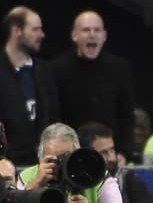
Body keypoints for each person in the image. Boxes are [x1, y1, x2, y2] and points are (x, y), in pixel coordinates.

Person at [0, 7, 61, 167]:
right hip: (9, 166)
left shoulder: (45, 71)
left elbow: (54, 117)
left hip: (46, 162)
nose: (42, 34)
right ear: (16, 31)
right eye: (35, 29)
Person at [50, 10, 135, 163]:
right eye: (86, 30)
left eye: (97, 30)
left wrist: (124, 152)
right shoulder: (57, 70)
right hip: (71, 156)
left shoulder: (119, 69)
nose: (92, 35)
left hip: (109, 155)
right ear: (74, 35)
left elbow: (127, 115)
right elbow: (53, 116)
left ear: (104, 36)